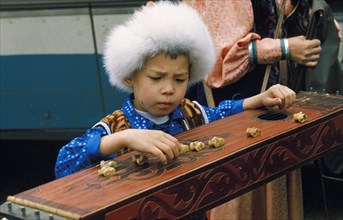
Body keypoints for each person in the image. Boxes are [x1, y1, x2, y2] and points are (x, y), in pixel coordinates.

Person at [54, 0, 296, 204]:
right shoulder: (117, 126)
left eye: (180, 79)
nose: (169, 89)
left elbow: (221, 113)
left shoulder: (190, 112)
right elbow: (64, 164)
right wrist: (123, 138)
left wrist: (259, 99)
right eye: (156, 78)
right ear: (130, 76)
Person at [183, 0, 341, 219]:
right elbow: (217, 65)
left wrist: (313, 22)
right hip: (238, 119)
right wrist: (283, 48)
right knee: (239, 197)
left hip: (278, 115)